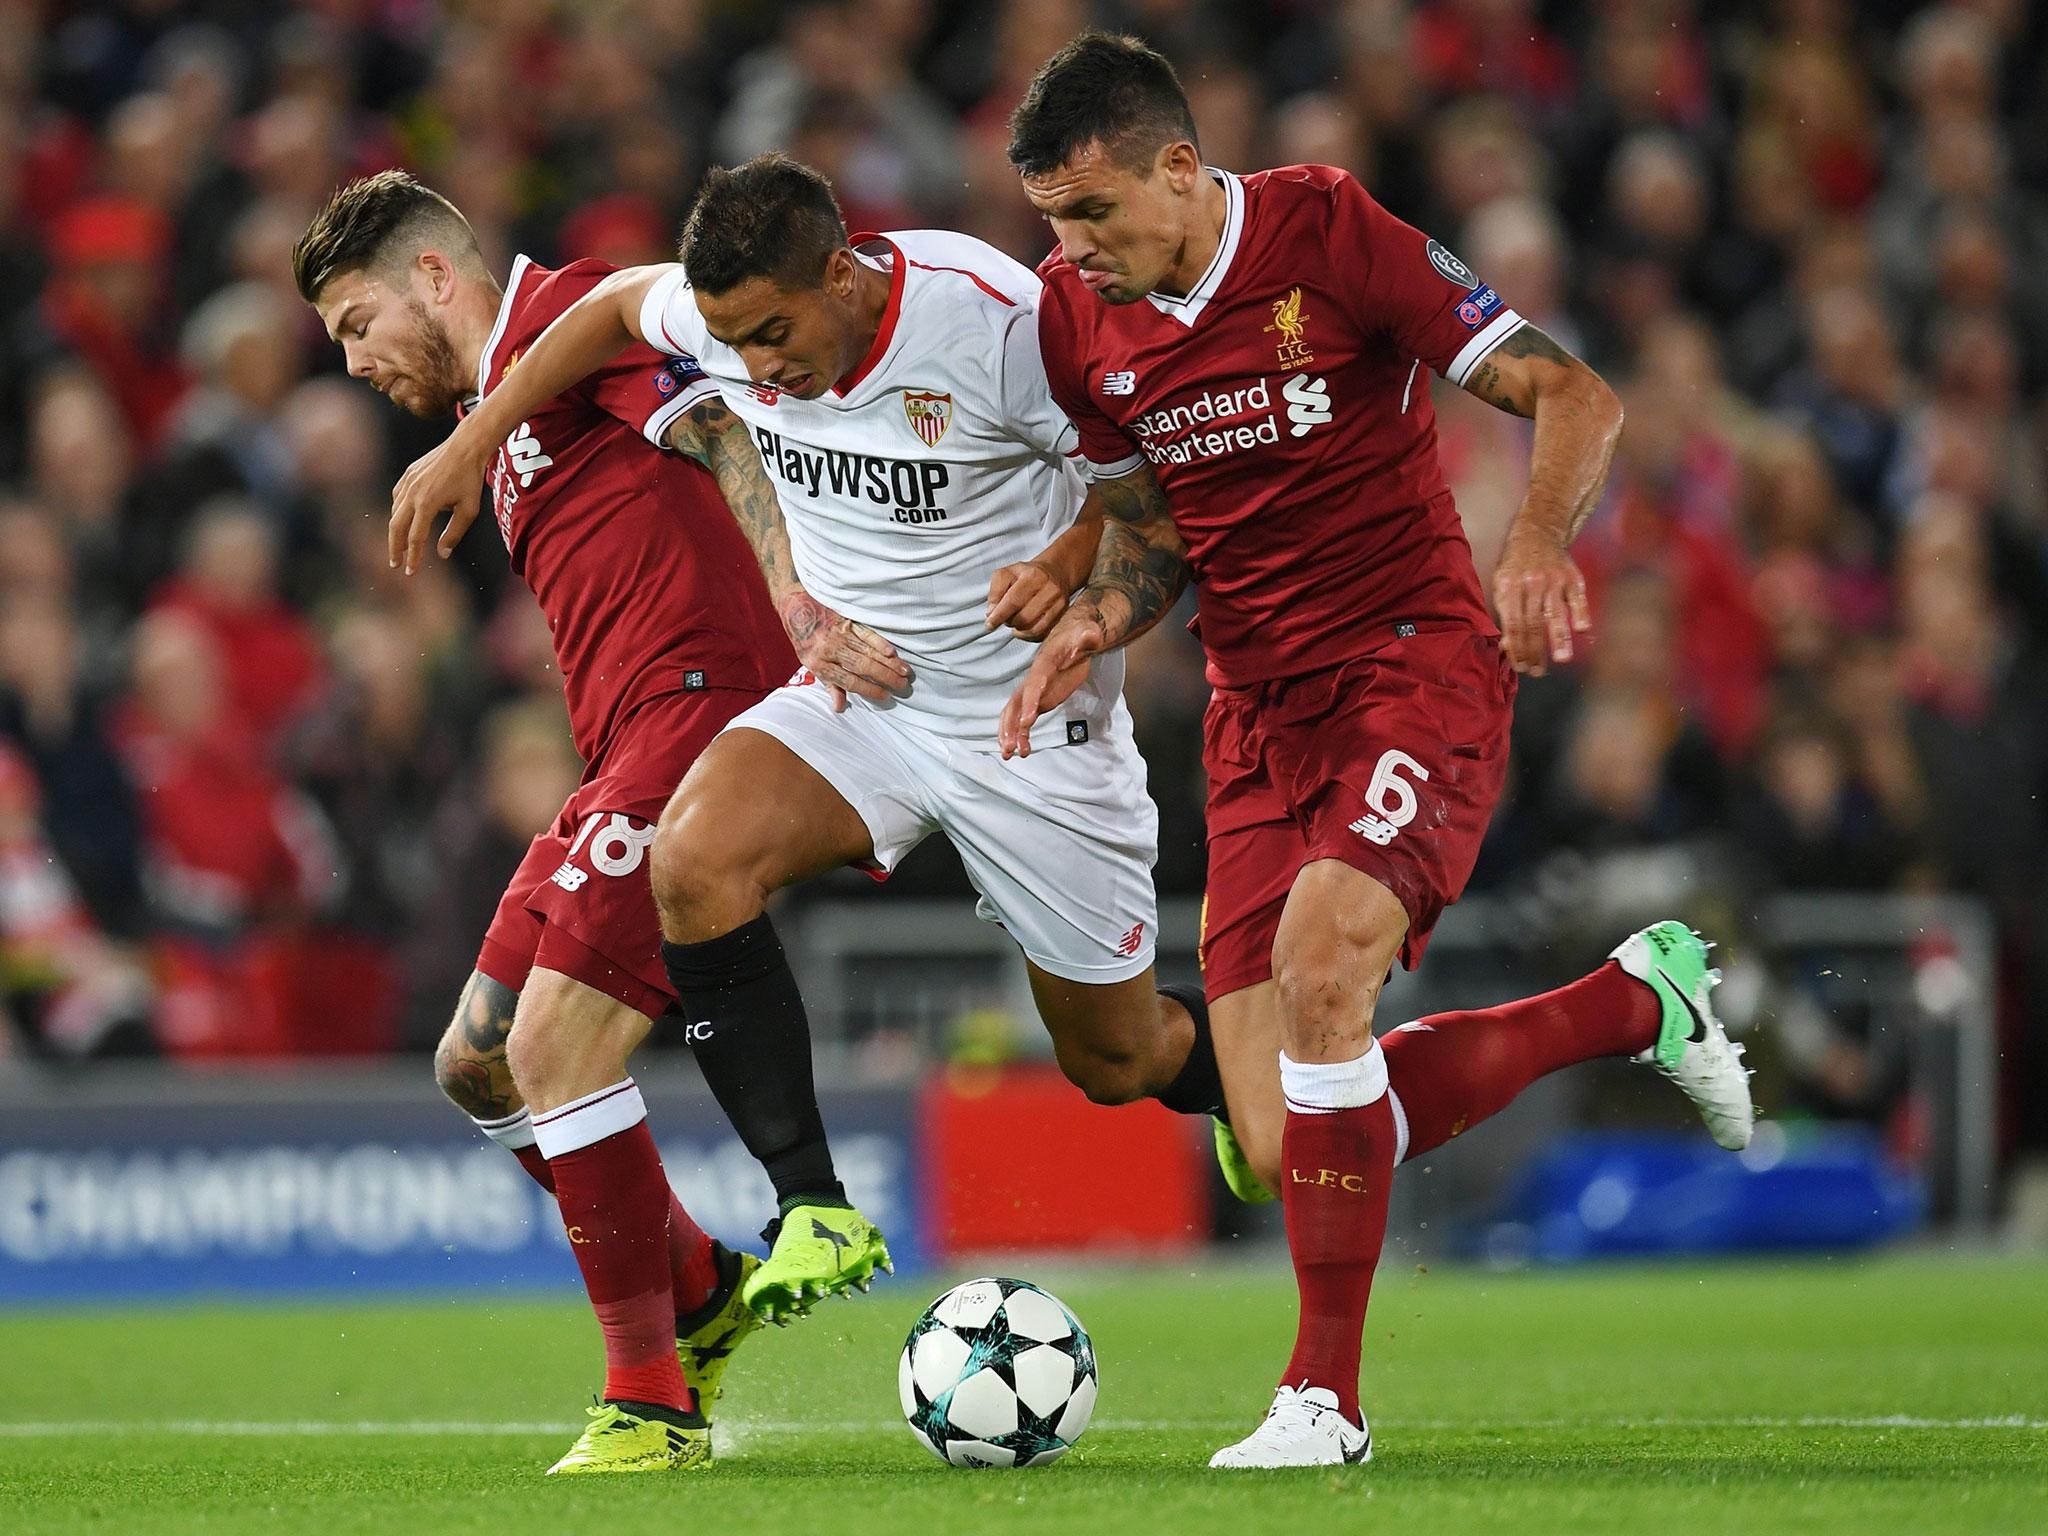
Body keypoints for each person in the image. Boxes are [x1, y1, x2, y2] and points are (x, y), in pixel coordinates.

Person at [1002, 33, 1757, 1469]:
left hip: (1410, 666)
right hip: (1252, 716)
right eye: (1053, 223)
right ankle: (1631, 1002)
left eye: (1095, 214)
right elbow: (1156, 532)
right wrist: (1094, 617)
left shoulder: (1326, 229)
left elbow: (1574, 391)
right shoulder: (1070, 319)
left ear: (1180, 165)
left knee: (1324, 968)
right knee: (1288, 1138)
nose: (1075, 251)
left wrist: (1533, 542)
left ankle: (1323, 1404)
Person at [387, 153, 1232, 1323]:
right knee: (693, 859)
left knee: (1113, 1057)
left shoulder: (992, 322)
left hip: (1026, 719)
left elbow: (1150, 498)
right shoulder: (723, 318)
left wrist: (1069, 585)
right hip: (860, 696)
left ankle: (1233, 1073)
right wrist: (476, 439)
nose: (759, 368)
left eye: (775, 334)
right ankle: (812, 1206)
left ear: (842, 273)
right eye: (732, 343)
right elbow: (606, 310)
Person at [293, 172, 803, 1476]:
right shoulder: (495, 414)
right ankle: (697, 1291)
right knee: (476, 1064)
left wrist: (800, 608)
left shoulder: (568, 317)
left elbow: (719, 429)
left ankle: (653, 1404)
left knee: (555, 1044)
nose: (355, 363)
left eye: (356, 324)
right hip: (621, 751)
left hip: (699, 721)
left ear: (428, 276)